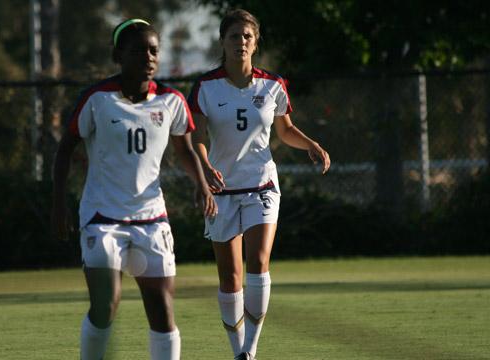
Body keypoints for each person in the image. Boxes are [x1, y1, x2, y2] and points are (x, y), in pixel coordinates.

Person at [52, 19, 217, 360]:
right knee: (105, 304)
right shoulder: (97, 99)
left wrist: (201, 184)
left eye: (154, 50)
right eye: (139, 50)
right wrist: (59, 203)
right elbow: (66, 148)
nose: (149, 56)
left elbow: (184, 149)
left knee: (162, 310)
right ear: (118, 55)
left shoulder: (171, 101)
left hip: (151, 218)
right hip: (102, 217)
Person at [188, 9, 331, 360]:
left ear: (256, 42)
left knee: (259, 260)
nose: (241, 42)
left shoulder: (273, 85)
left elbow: (284, 130)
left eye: (247, 37)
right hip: (221, 190)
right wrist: (204, 167)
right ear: (222, 41)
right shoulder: (206, 87)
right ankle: (237, 350)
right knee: (229, 276)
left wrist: (311, 144)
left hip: (261, 184)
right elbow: (198, 136)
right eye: (234, 36)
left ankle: (250, 350)